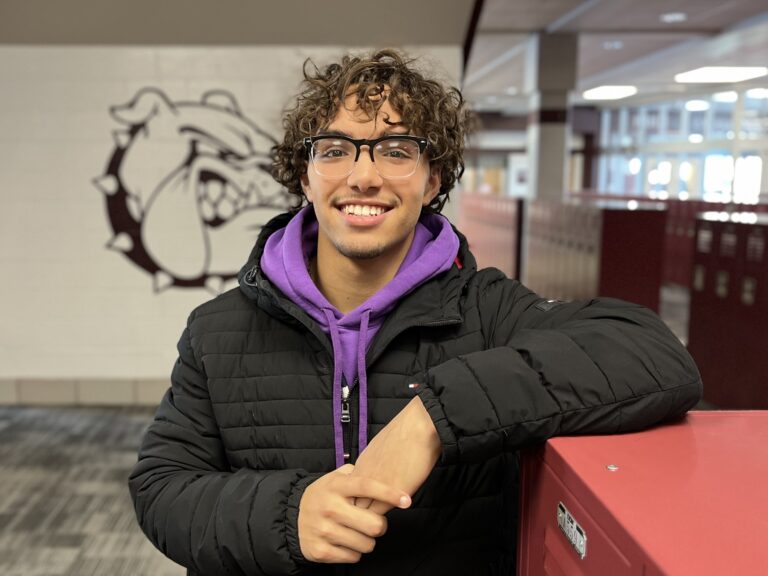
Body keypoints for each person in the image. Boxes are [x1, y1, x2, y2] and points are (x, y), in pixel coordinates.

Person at [129, 49, 702, 575]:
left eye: (395, 151)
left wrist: (432, 417)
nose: (364, 176)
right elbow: (163, 488)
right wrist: (288, 516)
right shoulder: (218, 329)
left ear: (433, 180)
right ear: (305, 176)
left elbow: (653, 353)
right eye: (334, 150)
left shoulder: (487, 312)